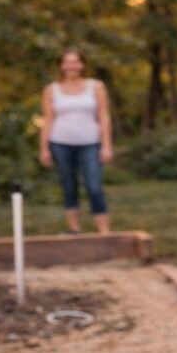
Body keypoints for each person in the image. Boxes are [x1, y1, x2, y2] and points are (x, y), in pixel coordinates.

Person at [39, 47, 114, 234]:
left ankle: (104, 231)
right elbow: (47, 119)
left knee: (94, 186)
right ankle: (74, 229)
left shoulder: (96, 86)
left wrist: (106, 145)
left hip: (90, 142)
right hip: (60, 142)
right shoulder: (51, 90)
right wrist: (44, 148)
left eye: (75, 61)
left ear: (82, 65)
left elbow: (104, 116)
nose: (71, 66)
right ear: (61, 66)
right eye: (67, 62)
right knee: (69, 185)